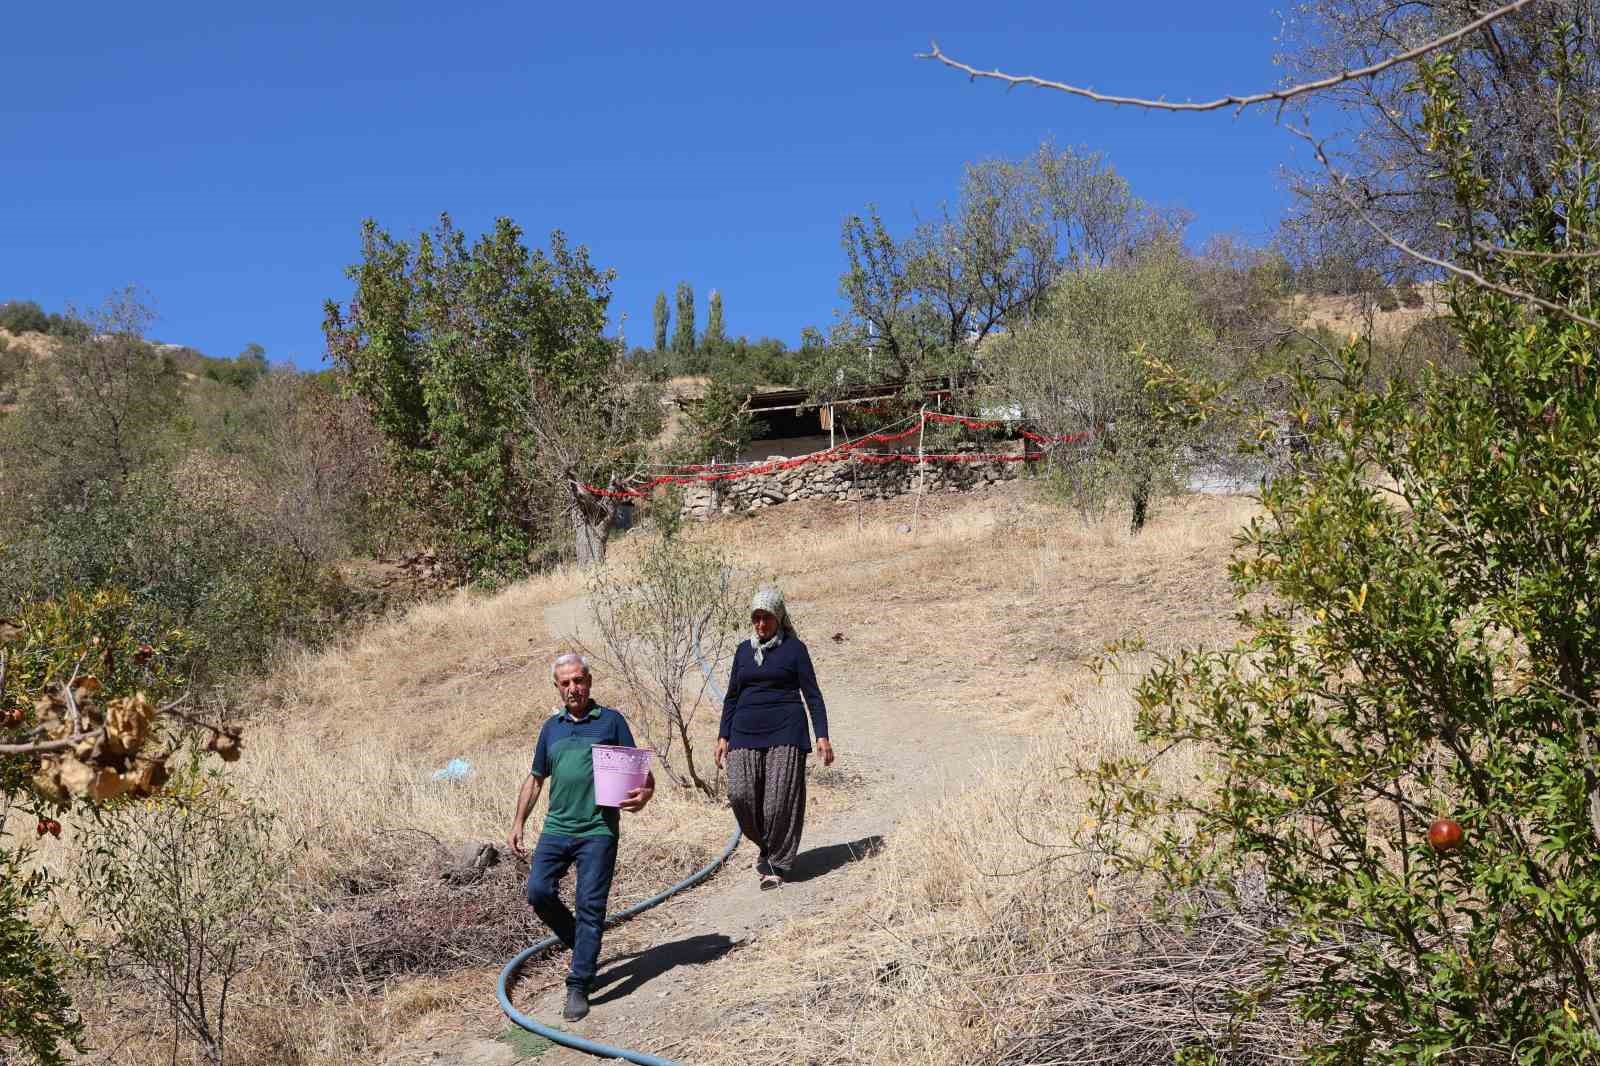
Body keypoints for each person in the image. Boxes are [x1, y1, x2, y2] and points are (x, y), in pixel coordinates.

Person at [508, 652, 654, 1022]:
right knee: (538, 892)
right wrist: (518, 822)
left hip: (597, 831)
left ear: (589, 680)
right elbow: (537, 777)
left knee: (591, 905)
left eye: (579, 680)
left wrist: (645, 793)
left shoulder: (611, 722)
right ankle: (581, 940)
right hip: (557, 828)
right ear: (557, 688)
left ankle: (579, 982)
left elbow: (641, 774)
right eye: (565, 683)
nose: (573, 688)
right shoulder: (551, 728)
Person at [714, 586, 833, 890]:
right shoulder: (743, 651)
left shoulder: (795, 649)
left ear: (778, 617)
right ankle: (767, 842)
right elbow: (731, 697)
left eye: (766, 618)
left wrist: (822, 735)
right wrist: (723, 735)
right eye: (756, 618)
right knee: (740, 794)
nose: (761, 625)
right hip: (744, 729)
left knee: (778, 803)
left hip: (786, 729)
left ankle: (777, 863)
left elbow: (812, 695)